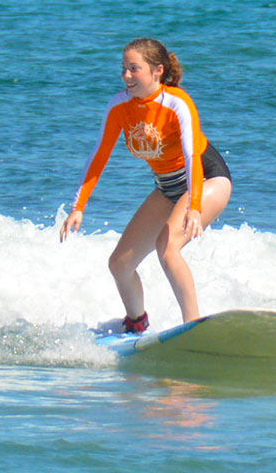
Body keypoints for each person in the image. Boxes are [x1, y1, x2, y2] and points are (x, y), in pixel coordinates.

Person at [59, 38, 232, 333]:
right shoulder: (119, 106)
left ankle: (192, 328)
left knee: (168, 249)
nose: (126, 75)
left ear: (157, 70)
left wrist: (194, 206)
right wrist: (78, 207)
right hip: (167, 188)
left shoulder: (177, 102)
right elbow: (99, 155)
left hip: (205, 179)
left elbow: (191, 155)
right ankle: (136, 324)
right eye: (123, 69)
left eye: (134, 69)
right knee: (119, 264)